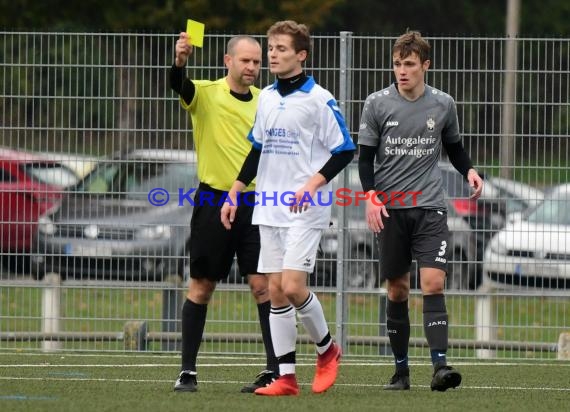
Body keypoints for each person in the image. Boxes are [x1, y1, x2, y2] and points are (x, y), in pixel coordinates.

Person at [221, 20, 356, 396]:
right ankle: (286, 377)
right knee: (275, 290)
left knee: (294, 287)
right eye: (272, 48)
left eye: (281, 49)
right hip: (269, 206)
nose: (274, 55)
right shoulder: (265, 96)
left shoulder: (319, 99)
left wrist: (313, 183)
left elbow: (345, 149)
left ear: (301, 55)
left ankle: (328, 351)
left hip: (305, 209)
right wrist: (234, 191)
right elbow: (258, 148)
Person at [357, 30, 483, 392]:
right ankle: (401, 371)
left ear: (425, 65)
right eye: (397, 64)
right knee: (397, 289)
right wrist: (370, 196)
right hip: (391, 210)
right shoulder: (377, 104)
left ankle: (440, 368)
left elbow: (454, 148)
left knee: (433, 283)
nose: (402, 71)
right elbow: (365, 159)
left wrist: (470, 170)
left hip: (430, 208)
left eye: (409, 64)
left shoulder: (443, 104)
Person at [169, 32, 279, 393]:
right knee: (202, 285)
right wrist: (180, 61)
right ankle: (187, 371)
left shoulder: (267, 101)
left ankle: (273, 370)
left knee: (264, 286)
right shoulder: (205, 93)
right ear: (227, 61)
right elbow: (177, 84)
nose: (252, 67)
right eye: (245, 60)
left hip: (255, 204)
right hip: (214, 202)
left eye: (257, 61)